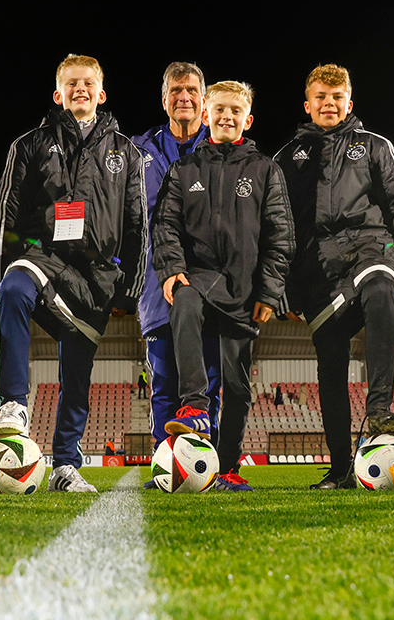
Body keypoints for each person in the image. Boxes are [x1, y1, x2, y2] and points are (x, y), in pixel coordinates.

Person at [0, 54, 147, 493]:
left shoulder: (127, 153)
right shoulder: (30, 144)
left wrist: (130, 287)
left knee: (76, 372)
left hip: (95, 274)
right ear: (58, 94)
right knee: (14, 290)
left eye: (88, 83)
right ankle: (14, 405)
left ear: (101, 93)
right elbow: (7, 211)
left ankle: (65, 465)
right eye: (72, 83)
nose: (80, 89)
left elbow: (138, 225)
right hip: (42, 254)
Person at [275, 64, 394, 489]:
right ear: (308, 105)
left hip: (372, 245)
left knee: (380, 290)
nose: (329, 104)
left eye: (336, 96)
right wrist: (283, 287)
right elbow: (278, 227)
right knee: (330, 362)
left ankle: (379, 411)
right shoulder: (287, 158)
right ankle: (340, 467)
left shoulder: (375, 146)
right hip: (318, 271)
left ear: (349, 103)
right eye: (321, 97)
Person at [153, 80, 294, 491]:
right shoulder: (184, 170)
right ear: (205, 117)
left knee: (236, 385)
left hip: (244, 291)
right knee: (183, 302)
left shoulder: (266, 170)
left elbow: (280, 235)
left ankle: (227, 467)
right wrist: (171, 268)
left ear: (247, 119)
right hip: (198, 277)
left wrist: (269, 292)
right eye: (219, 110)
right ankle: (194, 406)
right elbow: (164, 223)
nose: (227, 116)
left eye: (235, 110)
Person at [131, 63, 220, 459]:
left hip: (208, 278)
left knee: (210, 376)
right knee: (163, 378)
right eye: (176, 90)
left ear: (203, 100)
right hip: (155, 281)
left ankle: (208, 462)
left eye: (191, 90)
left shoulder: (223, 147)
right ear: (164, 99)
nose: (184, 97)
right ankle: (165, 462)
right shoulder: (137, 151)